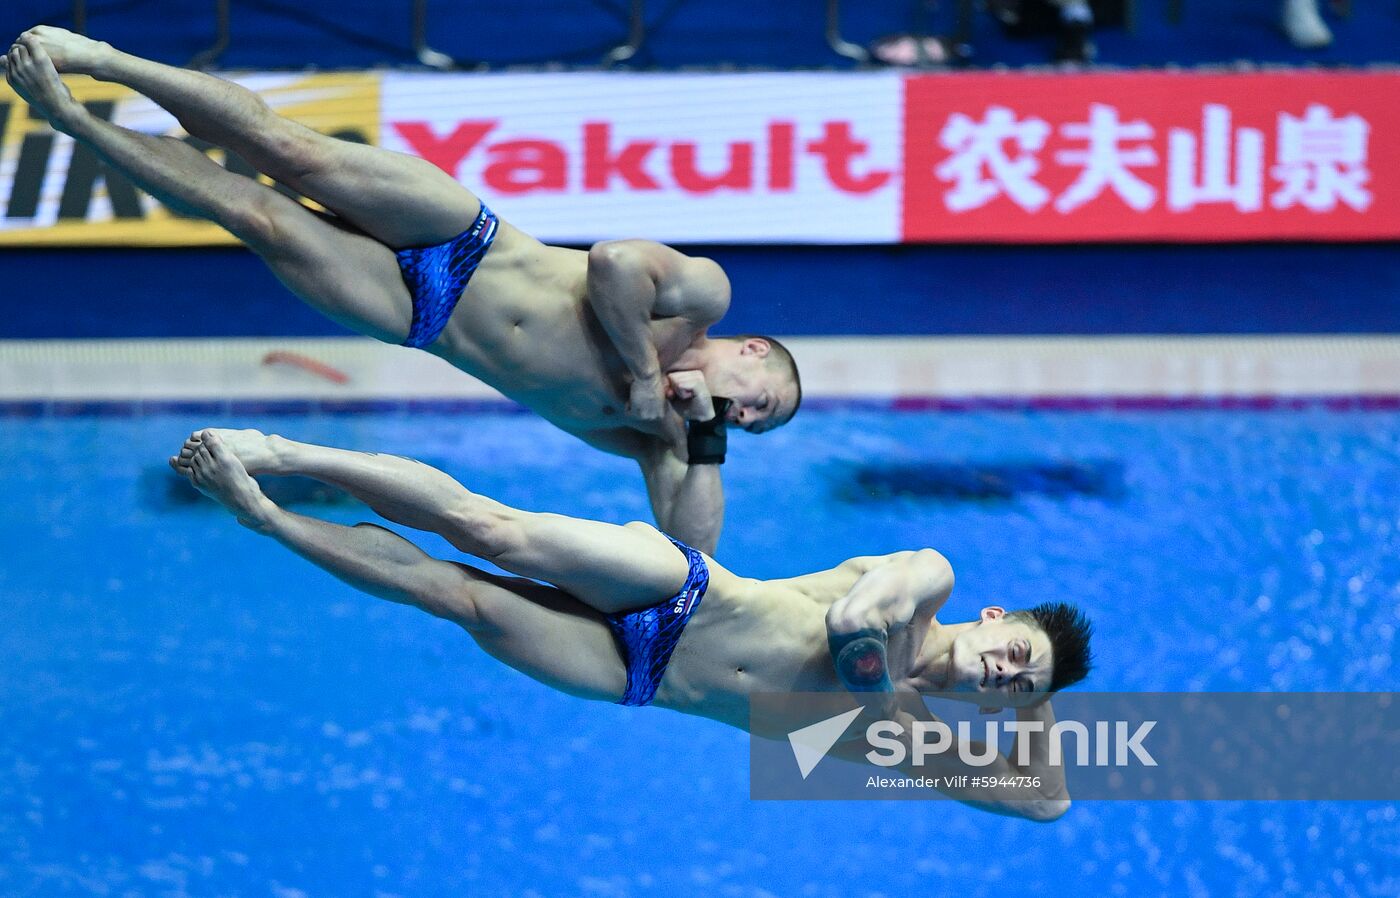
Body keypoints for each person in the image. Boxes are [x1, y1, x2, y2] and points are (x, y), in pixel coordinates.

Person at [3, 27, 803, 554]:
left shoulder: (657, 434)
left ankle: (74, 120)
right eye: (761, 400)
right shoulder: (704, 300)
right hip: (466, 241)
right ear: (754, 350)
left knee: (251, 213)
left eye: (755, 425)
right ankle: (103, 60)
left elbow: (692, 554)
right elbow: (614, 263)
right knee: (289, 151)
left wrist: (705, 443)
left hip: (421, 316)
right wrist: (637, 367)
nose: (747, 415)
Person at [169, 427, 1095, 820]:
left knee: (454, 596)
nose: (1002, 670)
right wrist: (872, 670)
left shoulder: (922, 744)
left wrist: (1035, 706)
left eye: (1016, 679)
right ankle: (279, 452)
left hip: (645, 677)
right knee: (488, 529)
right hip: (685, 592)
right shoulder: (930, 582)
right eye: (1014, 650)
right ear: (993, 616)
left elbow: (1046, 801)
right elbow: (862, 612)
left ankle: (266, 517)